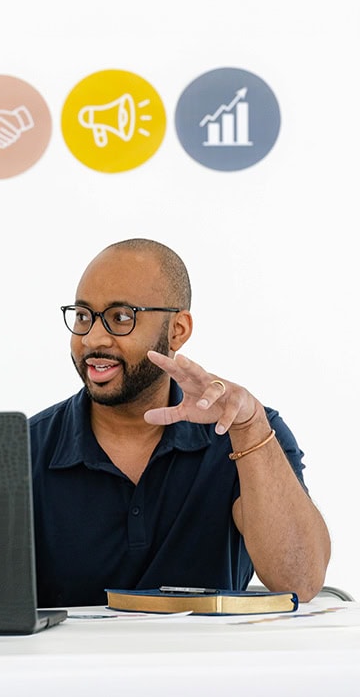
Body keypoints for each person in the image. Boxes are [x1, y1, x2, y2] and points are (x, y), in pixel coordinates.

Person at [30, 238, 330, 608]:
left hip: (210, 665)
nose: (93, 338)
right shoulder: (24, 450)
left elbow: (300, 580)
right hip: (68, 667)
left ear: (177, 331)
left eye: (121, 317)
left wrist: (249, 429)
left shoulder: (244, 432)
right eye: (82, 316)